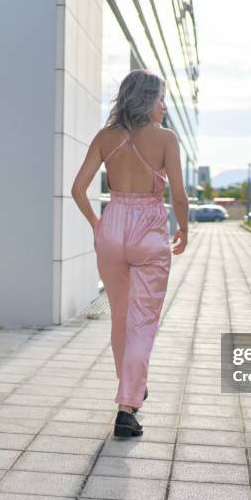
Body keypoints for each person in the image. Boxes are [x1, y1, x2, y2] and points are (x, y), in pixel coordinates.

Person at [71, 69, 188, 438]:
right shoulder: (166, 138)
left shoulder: (106, 137)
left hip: (113, 225)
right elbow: (178, 196)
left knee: (120, 318)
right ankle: (127, 407)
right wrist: (184, 229)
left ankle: (130, 385)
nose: (165, 106)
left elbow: (78, 188)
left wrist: (96, 224)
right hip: (149, 230)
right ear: (148, 100)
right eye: (161, 99)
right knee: (143, 322)